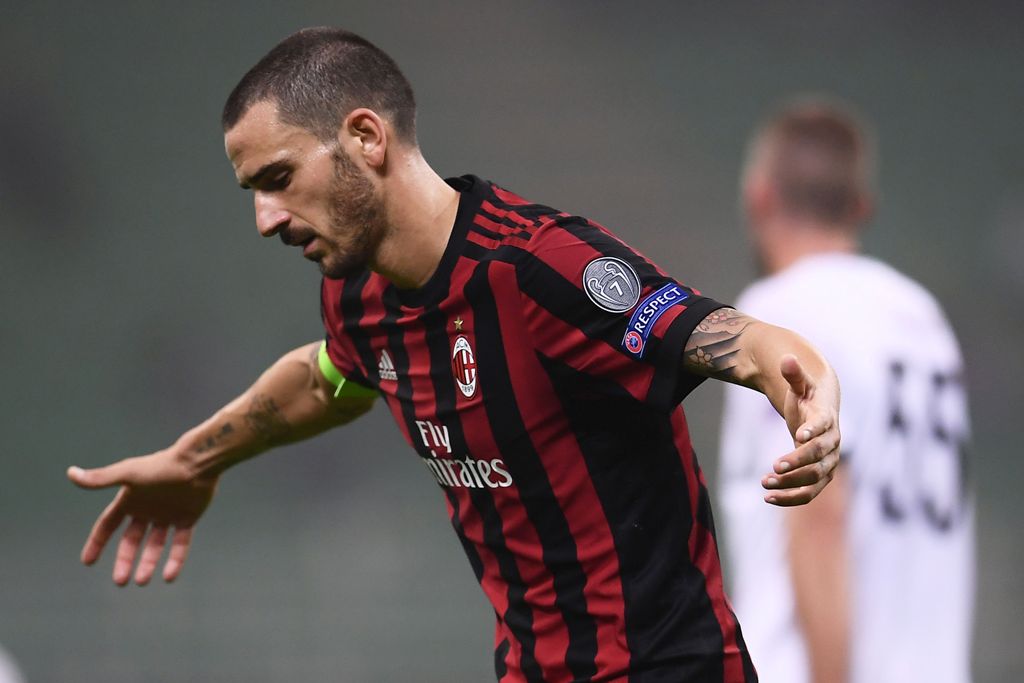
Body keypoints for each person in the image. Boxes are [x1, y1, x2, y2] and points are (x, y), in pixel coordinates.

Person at [68, 28, 842, 683]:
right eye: (253, 191)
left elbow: (732, 337)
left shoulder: (539, 269)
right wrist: (197, 456)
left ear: (366, 138)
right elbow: (326, 377)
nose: (266, 218)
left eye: (278, 178)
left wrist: (810, 395)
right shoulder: (358, 294)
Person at [718, 99, 974, 683]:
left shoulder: (780, 316)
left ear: (760, 197)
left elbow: (818, 516)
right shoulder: (925, 321)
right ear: (860, 207)